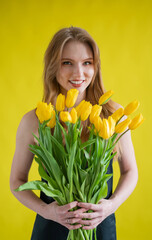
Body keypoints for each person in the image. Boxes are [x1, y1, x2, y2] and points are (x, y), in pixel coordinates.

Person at [10, 26, 138, 240]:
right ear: (53, 67)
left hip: (99, 228)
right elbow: (17, 181)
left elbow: (130, 171)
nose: (79, 73)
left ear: (95, 67)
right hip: (51, 230)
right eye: (67, 63)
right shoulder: (35, 121)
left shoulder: (113, 116)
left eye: (87, 62)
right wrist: (48, 211)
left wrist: (111, 206)